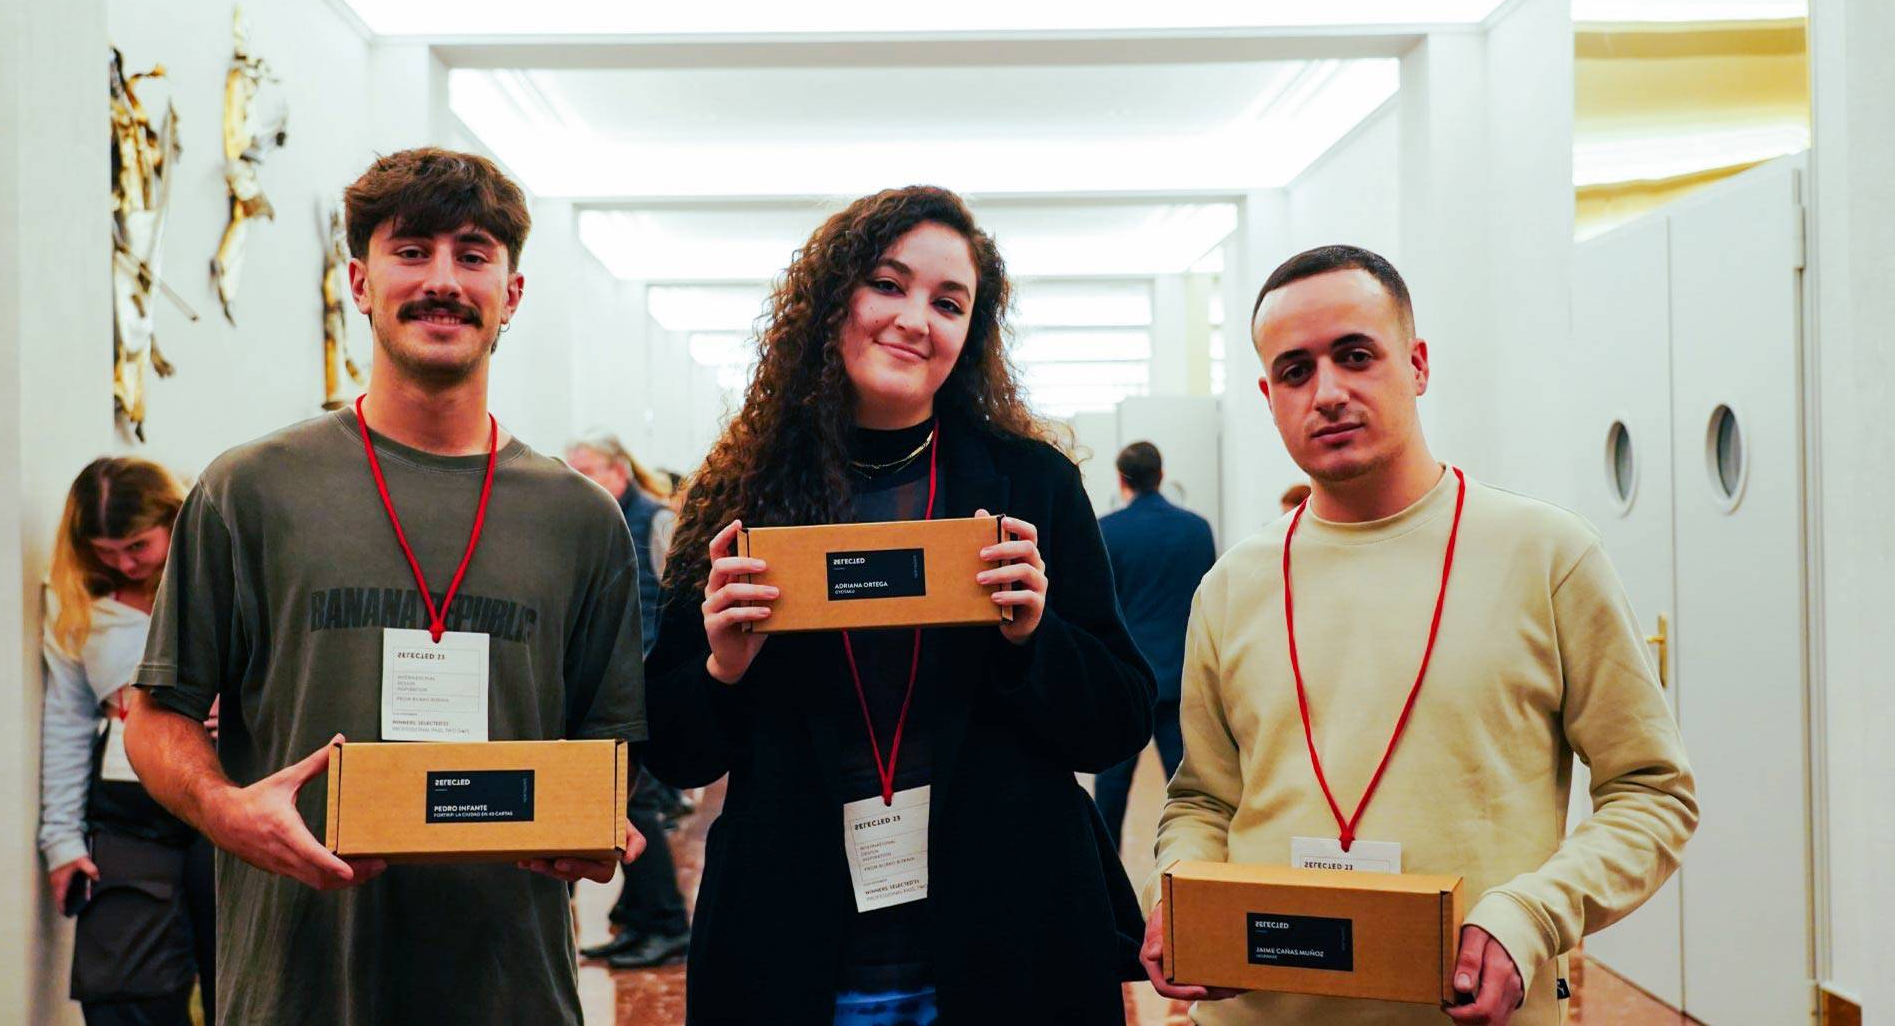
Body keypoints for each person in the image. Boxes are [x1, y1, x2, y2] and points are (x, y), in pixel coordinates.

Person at [124, 147, 647, 1026]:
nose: (442, 280)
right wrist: (226, 811)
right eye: (412, 251)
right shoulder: (249, 490)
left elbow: (609, 740)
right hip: (297, 989)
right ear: (361, 283)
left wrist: (599, 825)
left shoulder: (581, 519)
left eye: (473, 255)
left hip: (509, 989)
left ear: (511, 294)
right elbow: (156, 716)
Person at [1142, 245, 1697, 1026]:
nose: (1328, 393)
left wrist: (1532, 915)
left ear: (1418, 364)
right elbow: (1203, 798)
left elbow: (1652, 793)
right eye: (1296, 372)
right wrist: (1180, 891)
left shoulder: (1546, 556)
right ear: (1269, 396)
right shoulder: (1231, 586)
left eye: (1356, 356)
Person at [643, 185, 1155, 1025]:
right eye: (888, 284)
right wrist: (721, 669)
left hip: (1007, 935)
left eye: (948, 303)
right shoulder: (743, 493)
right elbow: (675, 749)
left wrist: (1035, 638)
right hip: (795, 941)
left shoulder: (1030, 484)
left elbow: (1116, 722)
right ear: (831, 300)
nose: (915, 319)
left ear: (970, 334)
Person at [39, 458, 216, 1026]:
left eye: (138, 546)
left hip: (224, 798)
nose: (124, 564)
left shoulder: (211, 583)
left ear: (173, 519)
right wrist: (61, 840)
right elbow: (66, 724)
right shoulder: (78, 609)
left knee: (240, 981)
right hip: (127, 812)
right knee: (123, 989)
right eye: (106, 551)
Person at [566, 435, 691, 968]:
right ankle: (639, 919)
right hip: (614, 679)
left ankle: (666, 923)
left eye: (588, 469)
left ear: (619, 471)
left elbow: (677, 602)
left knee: (635, 802)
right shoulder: (597, 520)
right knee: (621, 802)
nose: (578, 479)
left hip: (643, 681)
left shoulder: (656, 520)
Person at [1091, 441, 1216, 846]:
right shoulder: (1196, 529)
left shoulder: (1106, 531)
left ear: (1121, 480)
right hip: (1180, 680)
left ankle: (1107, 868)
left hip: (1125, 683)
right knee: (1192, 794)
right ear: (1161, 476)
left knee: (1111, 790)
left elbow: (1098, 609)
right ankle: (1191, 868)